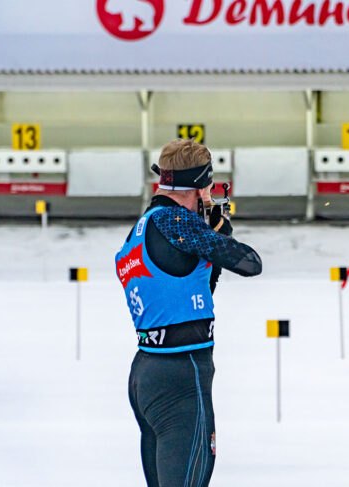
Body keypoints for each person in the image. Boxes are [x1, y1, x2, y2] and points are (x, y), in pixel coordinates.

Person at [115, 139, 262, 486]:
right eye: (208, 188)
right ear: (199, 186)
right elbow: (250, 262)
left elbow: (190, 290)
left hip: (147, 370)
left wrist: (209, 242)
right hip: (182, 373)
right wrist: (220, 231)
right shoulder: (177, 223)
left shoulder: (142, 227)